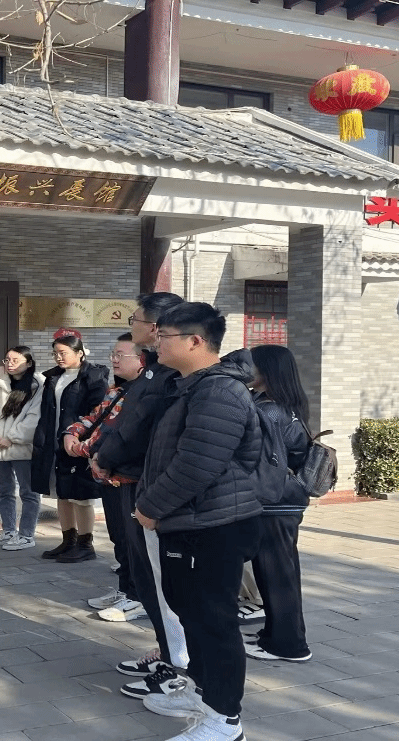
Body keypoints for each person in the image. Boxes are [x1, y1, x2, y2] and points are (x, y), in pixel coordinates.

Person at [133, 302, 262, 741]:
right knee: (191, 613)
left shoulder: (219, 392)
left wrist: (150, 507)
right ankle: (202, 694)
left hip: (212, 525)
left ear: (195, 341)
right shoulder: (190, 386)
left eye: (164, 335)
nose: (156, 341)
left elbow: (197, 466)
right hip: (190, 522)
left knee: (213, 621)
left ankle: (224, 720)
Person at [88, 294, 192, 702]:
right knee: (149, 581)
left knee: (164, 586)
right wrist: (102, 454)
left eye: (135, 319)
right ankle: (168, 651)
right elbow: (126, 423)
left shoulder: (172, 378)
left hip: (151, 491)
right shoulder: (154, 371)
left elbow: (139, 431)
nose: (130, 325)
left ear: (156, 328)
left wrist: (105, 457)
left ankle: (178, 665)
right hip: (133, 481)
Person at [65, 334, 145, 618]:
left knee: (134, 542)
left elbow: (123, 437)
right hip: (109, 477)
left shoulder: (146, 394)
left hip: (131, 478)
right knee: (119, 539)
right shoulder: (117, 391)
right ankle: (125, 590)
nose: (114, 360)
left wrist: (86, 449)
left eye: (121, 355)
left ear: (142, 359)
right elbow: (94, 418)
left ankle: (138, 597)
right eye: (113, 354)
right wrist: (71, 433)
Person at [244, 344, 312, 663]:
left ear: (267, 371)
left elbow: (260, 461)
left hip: (275, 503)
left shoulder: (270, 410)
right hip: (283, 501)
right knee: (278, 573)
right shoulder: (283, 405)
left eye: (252, 365)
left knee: (277, 576)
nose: (246, 370)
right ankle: (275, 634)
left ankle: (289, 645)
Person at [31, 330, 108, 562]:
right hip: (54, 443)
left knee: (81, 496)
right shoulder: (53, 377)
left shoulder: (93, 378)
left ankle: (86, 544)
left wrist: (83, 442)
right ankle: (68, 540)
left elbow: (98, 414)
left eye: (63, 353)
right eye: (55, 353)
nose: (58, 357)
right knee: (61, 492)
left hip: (77, 444)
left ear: (80, 353)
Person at [0, 346, 43, 551]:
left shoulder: (38, 386)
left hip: (22, 449)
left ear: (29, 363)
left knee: (29, 493)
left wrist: (11, 439)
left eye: (15, 360)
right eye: (7, 360)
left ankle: (26, 535)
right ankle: (8, 530)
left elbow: (34, 419)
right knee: (4, 491)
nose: (10, 364)